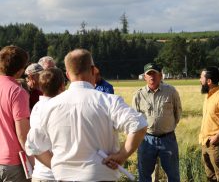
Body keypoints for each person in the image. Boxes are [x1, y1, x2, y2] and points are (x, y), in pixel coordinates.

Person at [25, 48, 147, 181]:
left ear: (67, 74)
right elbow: (139, 125)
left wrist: (55, 166)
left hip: (64, 177)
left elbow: (33, 145)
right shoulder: (108, 101)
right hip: (100, 175)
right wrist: (122, 155)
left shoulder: (49, 106)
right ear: (93, 70)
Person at [132, 63, 182, 182]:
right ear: (145, 77)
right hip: (146, 140)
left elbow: (178, 112)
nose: (152, 77)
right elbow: (135, 119)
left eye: (154, 74)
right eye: (149, 74)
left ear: (160, 76)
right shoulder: (138, 95)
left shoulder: (171, 91)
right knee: (144, 176)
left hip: (168, 139)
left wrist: (168, 127)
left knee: (173, 176)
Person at [28, 68, 65, 182]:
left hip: (41, 172)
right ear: (62, 86)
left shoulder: (37, 106)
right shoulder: (59, 108)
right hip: (54, 174)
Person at [0, 45, 31, 182]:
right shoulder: (18, 92)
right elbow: (22, 135)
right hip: (12, 162)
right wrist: (35, 162)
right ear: (20, 70)